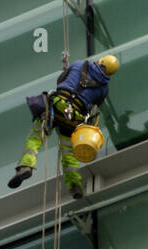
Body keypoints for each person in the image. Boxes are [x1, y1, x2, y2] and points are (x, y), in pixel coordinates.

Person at [9, 54, 119, 199]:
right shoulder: (104, 89)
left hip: (57, 106)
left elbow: (60, 80)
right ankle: (75, 186)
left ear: (101, 61)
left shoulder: (79, 64)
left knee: (36, 138)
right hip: (73, 118)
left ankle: (26, 166)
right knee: (69, 153)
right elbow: (95, 105)